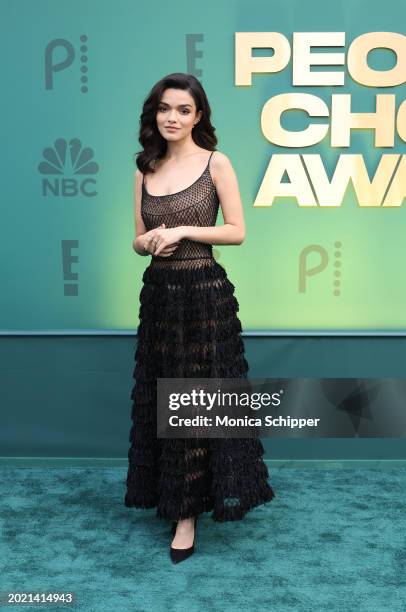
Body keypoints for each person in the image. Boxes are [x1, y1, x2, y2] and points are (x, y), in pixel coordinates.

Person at [124, 72, 275, 564]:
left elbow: (237, 231)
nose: (172, 117)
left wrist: (184, 229)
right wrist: (147, 242)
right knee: (162, 392)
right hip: (160, 296)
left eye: (183, 110)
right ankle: (174, 497)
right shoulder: (143, 168)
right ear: (155, 113)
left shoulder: (217, 162)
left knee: (195, 397)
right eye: (165, 108)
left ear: (199, 116)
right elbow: (137, 238)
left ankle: (187, 515)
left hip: (204, 296)